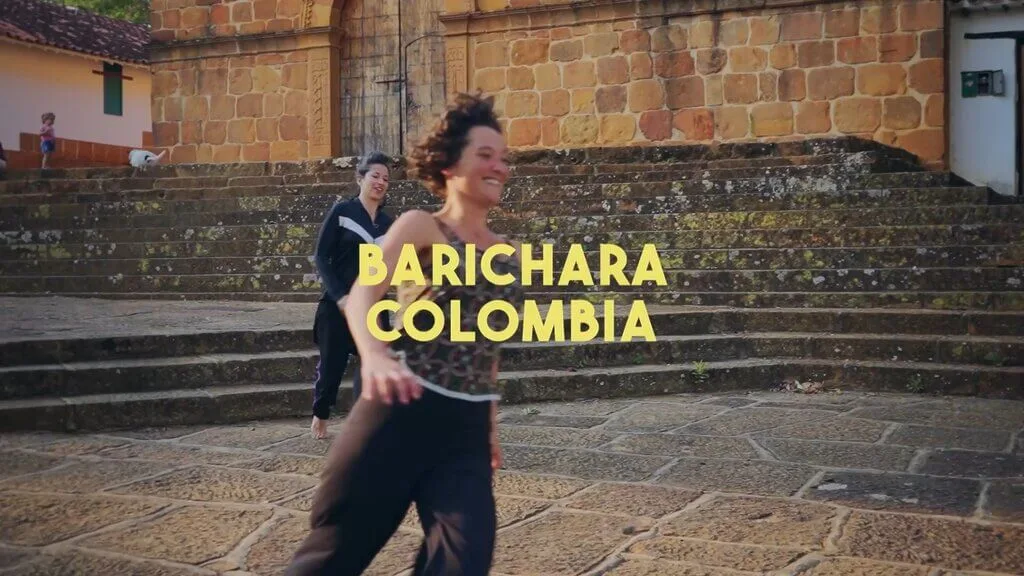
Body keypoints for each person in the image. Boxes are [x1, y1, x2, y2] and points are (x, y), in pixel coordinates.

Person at [284, 93, 523, 576]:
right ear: (451, 165)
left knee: (464, 559)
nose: (500, 166)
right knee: (336, 550)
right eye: (485, 155)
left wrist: (491, 424)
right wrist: (373, 355)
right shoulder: (420, 227)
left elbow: (488, 348)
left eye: (503, 157)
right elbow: (365, 289)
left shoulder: (508, 253)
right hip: (400, 406)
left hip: (466, 427)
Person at [310, 151, 395, 440]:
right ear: (360, 178)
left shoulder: (387, 224)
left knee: (373, 364)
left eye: (385, 178)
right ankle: (321, 414)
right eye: (375, 176)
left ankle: (366, 424)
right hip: (339, 306)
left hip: (373, 307)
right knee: (332, 368)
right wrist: (339, 296)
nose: (381, 182)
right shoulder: (343, 212)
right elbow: (321, 257)